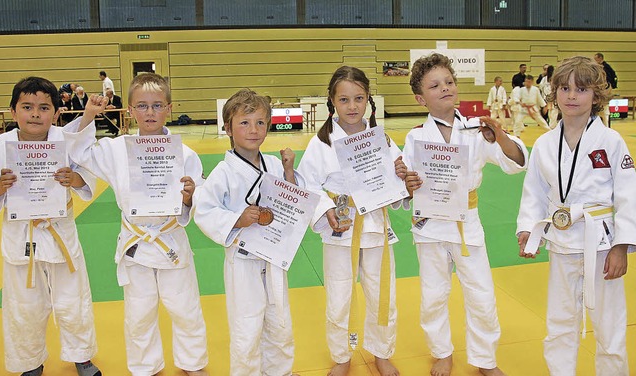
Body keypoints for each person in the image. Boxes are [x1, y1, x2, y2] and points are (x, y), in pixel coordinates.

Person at [62, 73, 208, 376]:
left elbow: (197, 195)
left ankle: (192, 364)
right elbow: (80, 153)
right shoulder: (116, 149)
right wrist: (89, 114)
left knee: (185, 309)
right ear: (130, 110)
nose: (150, 112)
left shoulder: (186, 153)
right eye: (142, 106)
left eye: (157, 105)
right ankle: (145, 367)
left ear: (169, 108)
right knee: (139, 313)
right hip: (136, 245)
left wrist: (190, 198)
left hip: (171, 241)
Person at [403, 53, 528, 376]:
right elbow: (406, 187)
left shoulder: (476, 130)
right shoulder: (416, 137)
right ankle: (441, 352)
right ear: (421, 98)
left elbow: (513, 162)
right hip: (430, 225)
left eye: (449, 82)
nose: (445, 88)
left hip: (467, 223)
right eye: (435, 85)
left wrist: (498, 135)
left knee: (482, 294)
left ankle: (485, 358)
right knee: (433, 296)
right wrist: (410, 184)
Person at [517, 55, 635, 376]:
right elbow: (535, 192)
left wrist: (622, 245)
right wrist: (528, 229)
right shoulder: (543, 144)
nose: (571, 96)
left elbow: (627, 194)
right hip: (561, 242)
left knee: (609, 325)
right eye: (565, 88)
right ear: (554, 94)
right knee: (559, 321)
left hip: (601, 243)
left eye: (581, 89)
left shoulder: (610, 141)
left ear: (596, 96)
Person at [296, 66, 406, 376]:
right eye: (344, 99)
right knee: (339, 296)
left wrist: (401, 174)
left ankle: (382, 353)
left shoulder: (380, 139)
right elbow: (306, 185)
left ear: (369, 99)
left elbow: (399, 175)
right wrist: (324, 209)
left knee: (382, 293)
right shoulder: (321, 143)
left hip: (375, 225)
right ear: (332, 101)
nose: (353, 106)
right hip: (341, 226)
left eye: (359, 98)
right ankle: (342, 356)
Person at [0, 77, 101, 376]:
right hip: (21, 235)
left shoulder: (64, 140)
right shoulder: (0, 145)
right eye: (26, 107)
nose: (35, 114)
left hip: (60, 233)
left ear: (55, 113)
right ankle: (29, 361)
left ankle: (81, 354)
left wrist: (74, 179)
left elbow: (86, 175)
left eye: (44, 108)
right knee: (23, 305)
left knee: (73, 300)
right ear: (13, 111)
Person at [194, 89, 302, 376]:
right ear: (227, 127)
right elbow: (203, 211)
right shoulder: (222, 172)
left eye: (260, 122)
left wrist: (290, 172)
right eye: (244, 123)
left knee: (280, 321)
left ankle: (280, 372)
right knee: (247, 326)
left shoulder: (275, 164)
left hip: (274, 258)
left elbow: (293, 201)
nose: (253, 130)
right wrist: (236, 219)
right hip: (242, 260)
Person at [593, 53, 618, 126]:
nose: (595, 60)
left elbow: (614, 76)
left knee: (605, 109)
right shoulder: (597, 67)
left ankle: (606, 126)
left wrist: (613, 86)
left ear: (600, 58)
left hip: (605, 89)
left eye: (596, 58)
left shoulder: (606, 67)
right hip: (599, 89)